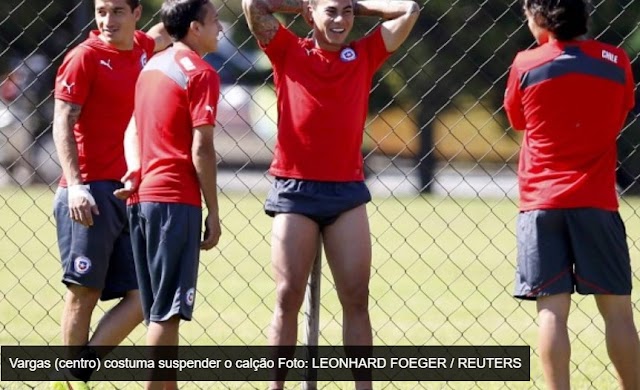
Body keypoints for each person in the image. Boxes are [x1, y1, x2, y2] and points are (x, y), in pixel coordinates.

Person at [242, 0, 418, 387]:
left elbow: (410, 8)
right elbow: (253, 5)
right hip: (295, 189)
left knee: (355, 298)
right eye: (330, 12)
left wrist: (358, 6)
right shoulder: (288, 49)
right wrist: (308, 3)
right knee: (288, 296)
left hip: (346, 192)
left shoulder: (364, 53)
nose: (340, 21)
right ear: (309, 15)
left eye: (346, 12)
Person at [504, 1, 640, 389]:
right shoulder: (616, 61)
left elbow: (517, 120)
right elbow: (621, 112)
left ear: (542, 20)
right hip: (597, 201)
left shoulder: (525, 64)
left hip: (541, 203)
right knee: (618, 314)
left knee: (551, 315)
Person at [51, 0, 171, 388]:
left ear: (137, 14)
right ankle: (71, 383)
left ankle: (74, 373)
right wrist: (76, 186)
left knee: (142, 298)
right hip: (87, 192)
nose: (107, 20)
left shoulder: (143, 47)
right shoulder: (83, 58)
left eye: (118, 10)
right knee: (84, 291)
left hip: (129, 193)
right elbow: (62, 122)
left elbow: (178, 21)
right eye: (101, 10)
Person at [113, 0, 222, 388]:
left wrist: (136, 170)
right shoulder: (202, 73)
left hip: (143, 199)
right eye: (215, 21)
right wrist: (213, 210)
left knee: (158, 310)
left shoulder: (151, 67)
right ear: (195, 27)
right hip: (176, 201)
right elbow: (201, 149)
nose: (220, 28)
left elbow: (132, 130)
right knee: (167, 314)